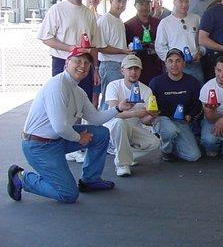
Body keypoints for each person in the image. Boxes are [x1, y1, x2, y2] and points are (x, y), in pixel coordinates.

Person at [7, 47, 133, 203]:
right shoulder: (57, 86)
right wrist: (79, 137)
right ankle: (21, 178)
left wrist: (118, 108)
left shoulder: (77, 91)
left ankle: (90, 181)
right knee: (68, 194)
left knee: (101, 134)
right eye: (78, 60)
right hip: (39, 145)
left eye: (87, 63)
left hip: (58, 139)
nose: (83, 65)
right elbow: (60, 127)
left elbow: (96, 118)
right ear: (67, 62)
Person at [37, 0, 101, 102]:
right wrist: (70, 48)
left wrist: (96, 69)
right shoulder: (57, 9)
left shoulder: (89, 14)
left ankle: (78, 123)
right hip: (62, 61)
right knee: (62, 101)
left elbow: (94, 45)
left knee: (82, 102)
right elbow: (46, 38)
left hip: (85, 64)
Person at [104, 55, 160, 176]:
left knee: (155, 142)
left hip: (134, 128)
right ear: (122, 70)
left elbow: (145, 121)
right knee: (119, 123)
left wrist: (152, 115)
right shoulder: (113, 85)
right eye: (130, 69)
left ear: (140, 71)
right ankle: (122, 164)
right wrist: (136, 113)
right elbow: (115, 114)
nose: (133, 72)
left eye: (136, 69)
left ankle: (123, 154)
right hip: (114, 126)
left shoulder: (146, 90)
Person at [149, 49, 202, 162]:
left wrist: (190, 115)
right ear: (165, 63)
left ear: (183, 63)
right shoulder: (156, 82)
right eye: (170, 61)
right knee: (170, 130)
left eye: (178, 61)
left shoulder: (192, 82)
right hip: (162, 119)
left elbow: (198, 104)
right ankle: (165, 150)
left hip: (181, 121)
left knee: (194, 156)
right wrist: (154, 114)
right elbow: (149, 103)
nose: (174, 64)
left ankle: (172, 146)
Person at [155, 0, 205, 84]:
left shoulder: (197, 19)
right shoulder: (165, 23)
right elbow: (159, 46)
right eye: (181, 1)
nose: (184, 4)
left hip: (194, 65)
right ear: (174, 2)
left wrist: (201, 52)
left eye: (186, 1)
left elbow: (203, 40)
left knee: (198, 93)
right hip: (175, 67)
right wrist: (171, 60)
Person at [97, 0, 132, 108]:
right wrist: (123, 51)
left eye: (124, 2)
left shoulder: (119, 20)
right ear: (111, 1)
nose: (122, 5)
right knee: (108, 102)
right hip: (109, 65)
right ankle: (102, 126)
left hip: (120, 65)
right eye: (119, 1)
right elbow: (101, 47)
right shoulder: (104, 20)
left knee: (118, 101)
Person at [124, 0, 162, 85]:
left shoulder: (158, 23)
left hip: (156, 65)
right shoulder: (128, 25)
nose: (144, 7)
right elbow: (126, 48)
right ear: (135, 6)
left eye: (147, 4)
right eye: (141, 4)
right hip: (137, 67)